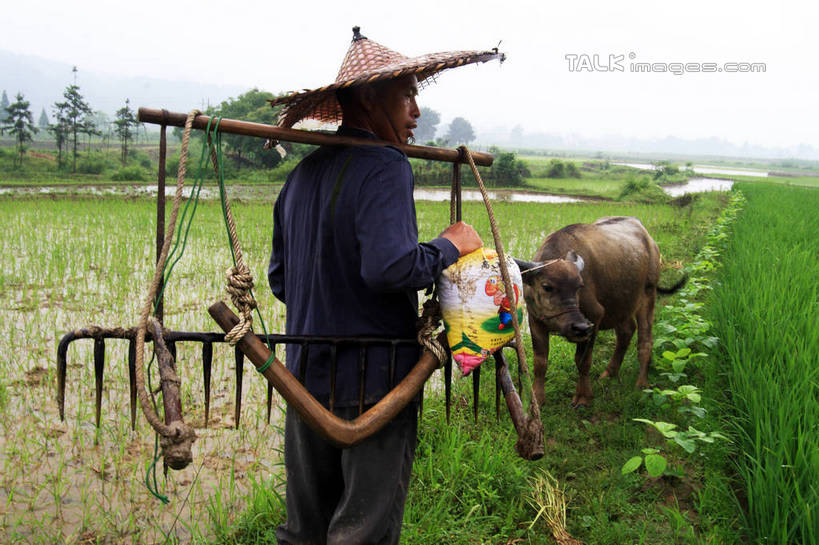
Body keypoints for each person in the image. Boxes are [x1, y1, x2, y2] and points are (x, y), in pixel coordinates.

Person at [267, 27, 503, 545]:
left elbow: (281, 280)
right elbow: (390, 269)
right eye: (408, 94)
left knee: (304, 528)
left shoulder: (301, 175)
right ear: (370, 99)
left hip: (304, 374)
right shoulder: (386, 165)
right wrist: (449, 245)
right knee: (363, 531)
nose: (416, 110)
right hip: (377, 381)